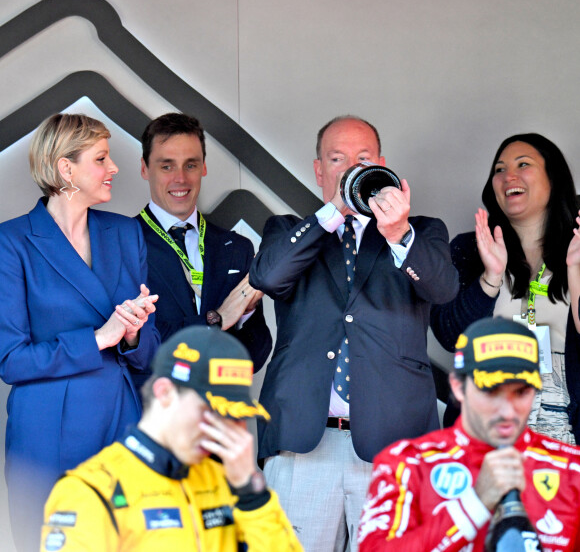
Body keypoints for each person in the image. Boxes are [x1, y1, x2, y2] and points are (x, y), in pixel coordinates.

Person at [249, 115, 459, 551]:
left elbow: (443, 288)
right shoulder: (290, 231)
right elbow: (267, 277)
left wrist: (398, 231)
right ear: (319, 169)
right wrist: (333, 212)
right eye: (337, 159)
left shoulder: (423, 231)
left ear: (381, 165)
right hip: (304, 445)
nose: (351, 170)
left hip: (394, 444)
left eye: (362, 159)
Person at [0, 113, 160, 552]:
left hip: (120, 420)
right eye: (101, 158)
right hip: (47, 430)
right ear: (65, 169)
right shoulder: (11, 242)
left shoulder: (127, 233)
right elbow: (10, 360)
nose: (114, 168)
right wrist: (98, 338)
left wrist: (132, 333)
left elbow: (149, 351)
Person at [40, 325, 303, 551]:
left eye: (232, 416)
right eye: (210, 412)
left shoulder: (228, 482)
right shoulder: (90, 491)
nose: (220, 430)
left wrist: (252, 493)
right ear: (164, 393)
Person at [359, 316, 580, 551]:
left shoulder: (572, 468)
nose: (507, 410)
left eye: (521, 392)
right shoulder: (408, 464)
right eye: (492, 391)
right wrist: (475, 503)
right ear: (457, 386)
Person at [431, 133, 580, 444]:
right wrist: (491, 277)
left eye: (523, 164)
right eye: (499, 169)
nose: (508, 176)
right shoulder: (469, 250)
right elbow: (448, 334)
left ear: (553, 178)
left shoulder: (578, 249)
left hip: (565, 435)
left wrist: (576, 270)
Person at [135, 113, 272, 386]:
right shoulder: (120, 244)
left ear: (204, 168)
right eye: (166, 166)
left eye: (191, 165)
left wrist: (245, 311)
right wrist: (218, 321)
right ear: (144, 168)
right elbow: (138, 347)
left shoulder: (237, 248)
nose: (181, 178)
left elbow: (253, 359)